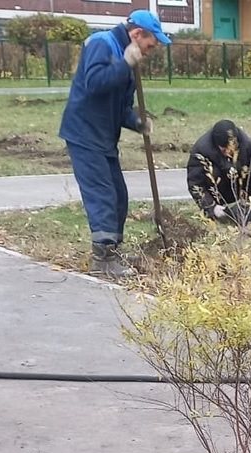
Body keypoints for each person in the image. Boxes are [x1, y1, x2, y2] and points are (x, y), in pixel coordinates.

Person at [59, 11, 170, 279]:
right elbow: (95, 84)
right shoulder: (102, 43)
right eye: (150, 44)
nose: (151, 50)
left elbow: (120, 107)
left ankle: (113, 251)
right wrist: (124, 63)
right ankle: (103, 259)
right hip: (85, 135)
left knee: (119, 195)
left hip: (104, 138)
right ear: (137, 34)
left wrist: (137, 122)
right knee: (103, 195)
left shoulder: (127, 58)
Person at [187, 120, 251, 227]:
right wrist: (212, 208)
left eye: (230, 148)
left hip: (246, 194)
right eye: (224, 149)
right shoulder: (201, 151)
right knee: (212, 173)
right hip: (219, 196)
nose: (228, 152)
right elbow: (196, 183)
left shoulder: (248, 144)